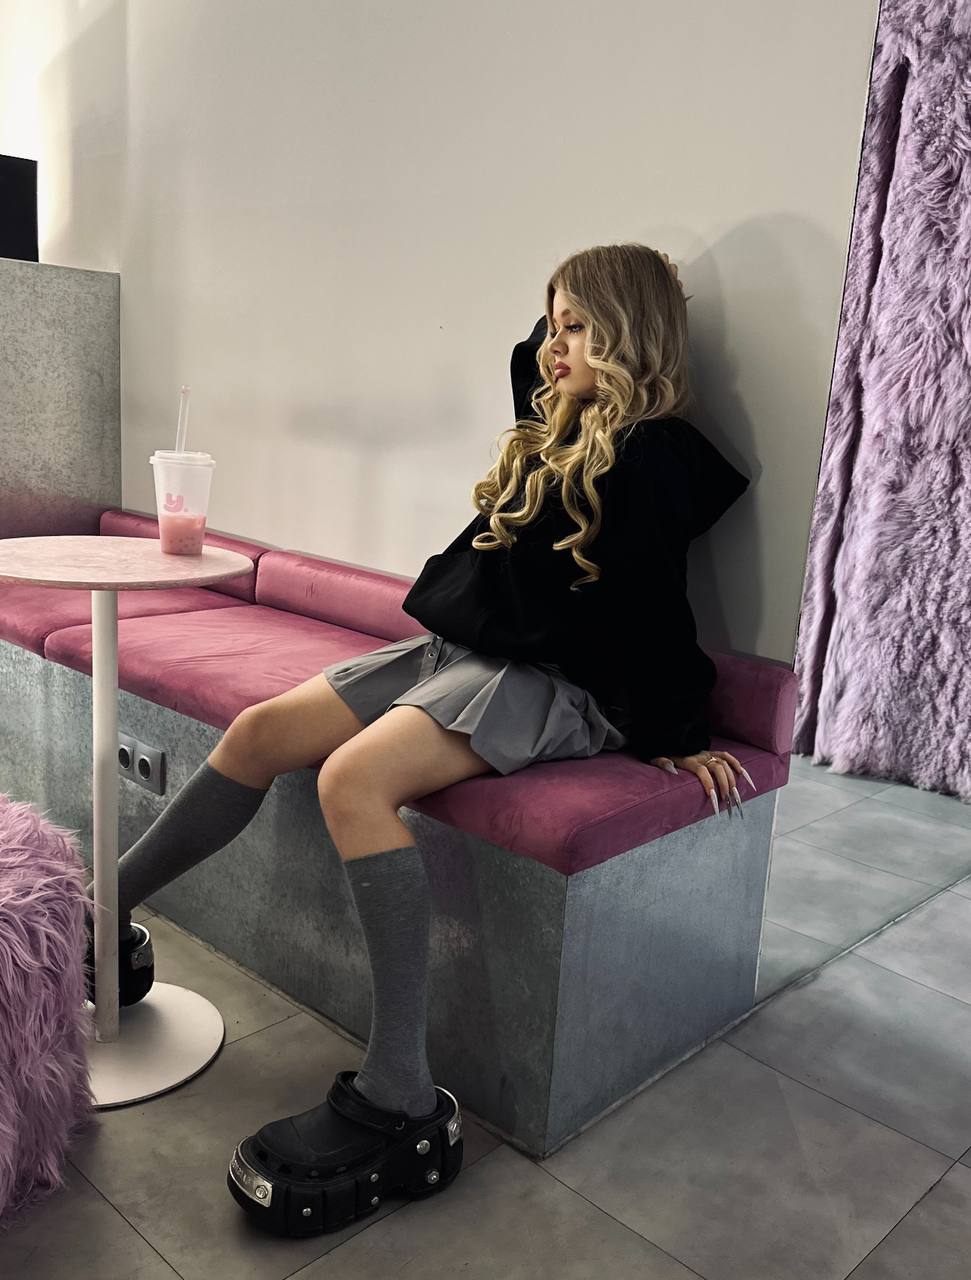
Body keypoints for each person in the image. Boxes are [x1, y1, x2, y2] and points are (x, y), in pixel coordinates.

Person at [84, 241, 753, 1235]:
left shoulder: (654, 454)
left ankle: (399, 1089)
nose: (554, 345)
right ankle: (101, 915)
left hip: (548, 683)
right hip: (460, 650)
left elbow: (653, 609)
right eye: (554, 323)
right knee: (262, 730)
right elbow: (528, 355)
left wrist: (676, 732)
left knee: (352, 780)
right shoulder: (555, 420)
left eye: (578, 327)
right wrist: (572, 313)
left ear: (626, 334)